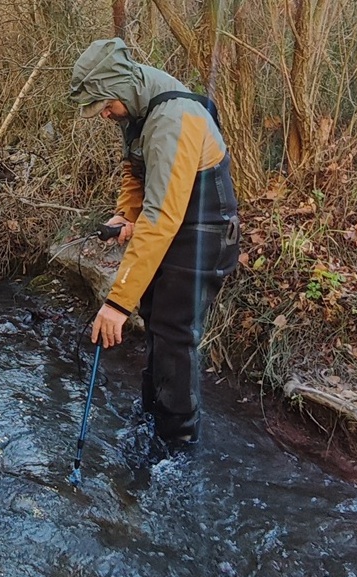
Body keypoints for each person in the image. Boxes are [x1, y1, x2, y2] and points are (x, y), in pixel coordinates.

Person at [70, 38, 241, 446]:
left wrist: (115, 304)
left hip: (204, 231)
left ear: (121, 87)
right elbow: (135, 172)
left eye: (105, 106)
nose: (104, 115)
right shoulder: (137, 108)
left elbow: (162, 217)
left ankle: (177, 444)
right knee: (156, 321)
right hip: (177, 225)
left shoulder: (172, 120)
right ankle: (153, 416)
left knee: (173, 333)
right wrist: (124, 215)